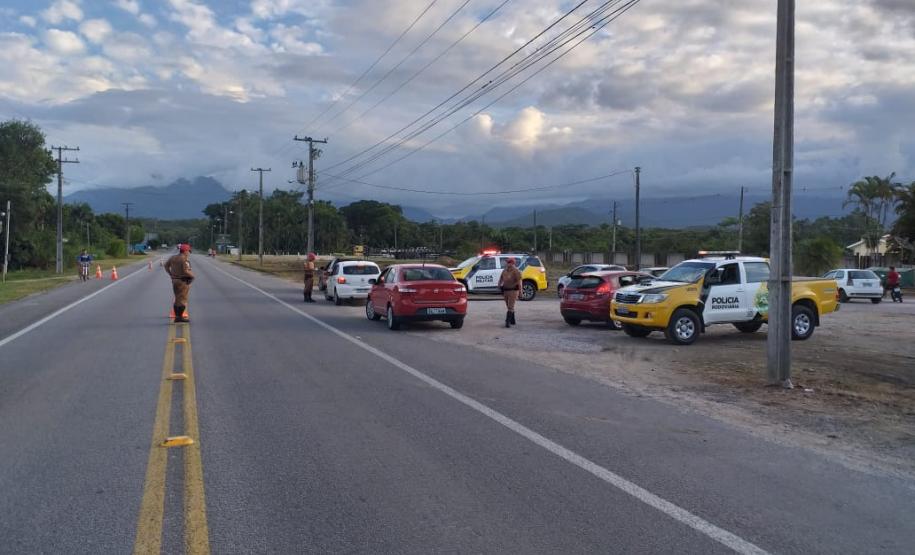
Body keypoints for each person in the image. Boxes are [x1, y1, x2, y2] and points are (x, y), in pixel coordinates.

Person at [164, 243, 195, 323]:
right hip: (182, 281)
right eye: (188, 251)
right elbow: (185, 271)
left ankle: (177, 316)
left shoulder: (173, 257)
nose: (189, 253)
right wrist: (192, 276)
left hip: (175, 280)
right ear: (185, 251)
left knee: (177, 298)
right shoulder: (184, 259)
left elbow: (166, 266)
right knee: (183, 299)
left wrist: (171, 274)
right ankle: (179, 317)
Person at [498, 257, 522, 328]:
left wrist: (520, 292)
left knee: (510, 306)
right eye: (507, 262)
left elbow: (519, 282)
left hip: (513, 291)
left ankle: (507, 322)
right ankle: (512, 320)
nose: (507, 263)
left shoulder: (516, 271)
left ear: (513, 263)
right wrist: (499, 284)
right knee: (508, 306)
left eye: (509, 262)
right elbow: (501, 278)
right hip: (506, 290)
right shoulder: (505, 270)